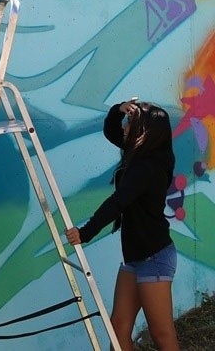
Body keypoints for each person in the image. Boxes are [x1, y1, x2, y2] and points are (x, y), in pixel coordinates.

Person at [65, 99, 179, 351]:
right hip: (135, 257)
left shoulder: (148, 167)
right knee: (118, 327)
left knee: (161, 335)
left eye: (130, 123)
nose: (125, 128)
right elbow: (110, 130)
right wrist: (119, 109)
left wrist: (85, 233)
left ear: (144, 131)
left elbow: (117, 202)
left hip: (154, 257)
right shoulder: (143, 153)